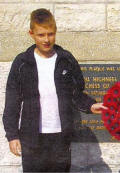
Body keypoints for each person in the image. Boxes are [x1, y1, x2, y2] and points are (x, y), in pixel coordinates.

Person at [2, 8, 106, 172]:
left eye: (50, 34)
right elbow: (12, 101)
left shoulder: (66, 59)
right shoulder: (22, 63)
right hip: (31, 138)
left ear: (55, 32)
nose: (46, 39)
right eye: (41, 35)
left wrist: (90, 106)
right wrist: (12, 135)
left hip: (60, 136)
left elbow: (76, 93)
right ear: (31, 34)